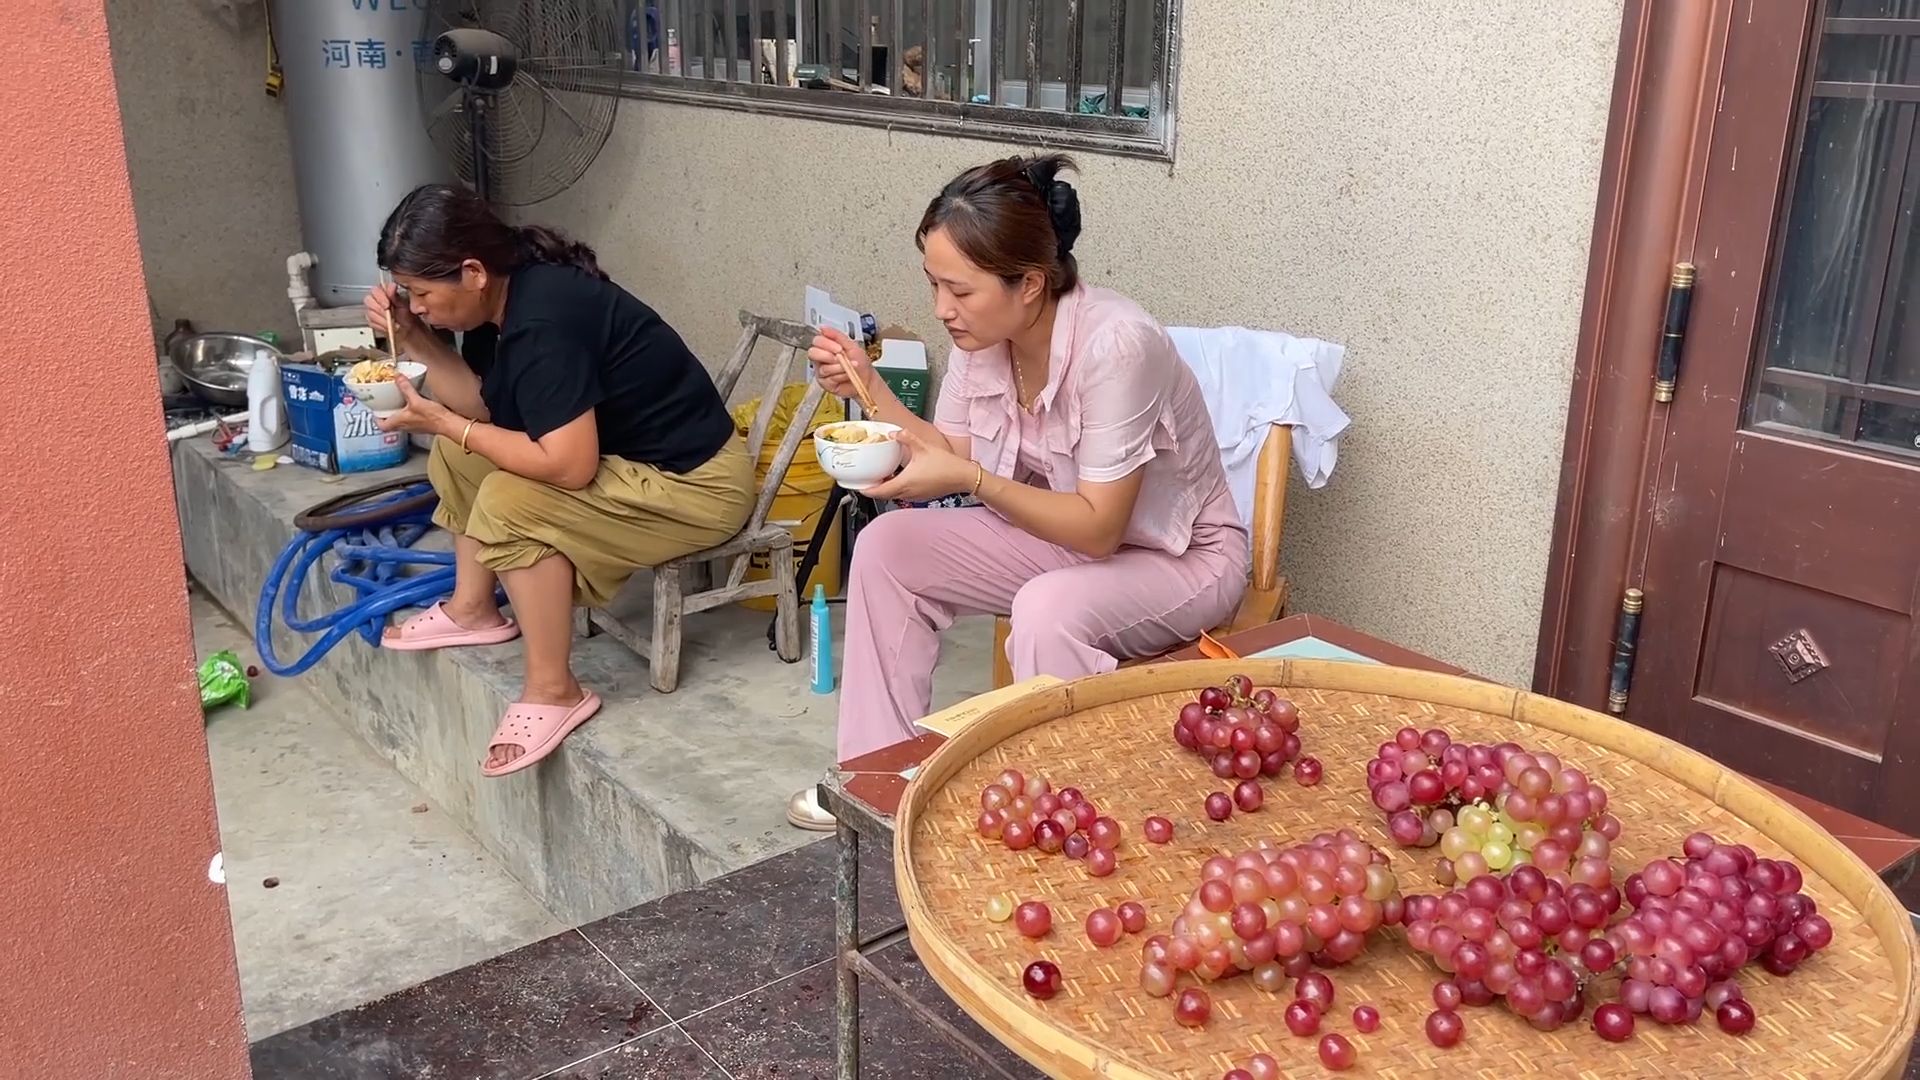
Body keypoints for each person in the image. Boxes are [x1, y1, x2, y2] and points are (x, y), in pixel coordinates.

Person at [785, 155, 1250, 829]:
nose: (941, 309)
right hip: (1066, 540)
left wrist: (972, 482)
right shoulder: (985, 338)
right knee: (888, 546)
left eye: (960, 290)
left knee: (1046, 609)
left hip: (1180, 560)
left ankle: (1070, 813)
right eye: (934, 284)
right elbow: (953, 452)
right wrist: (869, 388)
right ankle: (877, 775)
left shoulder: (1119, 345)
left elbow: (1097, 528)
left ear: (1029, 283)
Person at [365, 184, 752, 778]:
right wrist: (417, 342)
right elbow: (485, 409)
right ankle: (474, 610)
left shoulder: (543, 320)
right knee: (459, 455)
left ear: (471, 271)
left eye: (421, 294)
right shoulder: (503, 296)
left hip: (695, 487)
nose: (414, 307)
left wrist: (446, 420)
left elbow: (569, 465)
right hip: (636, 465)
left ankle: (554, 689)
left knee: (508, 499)